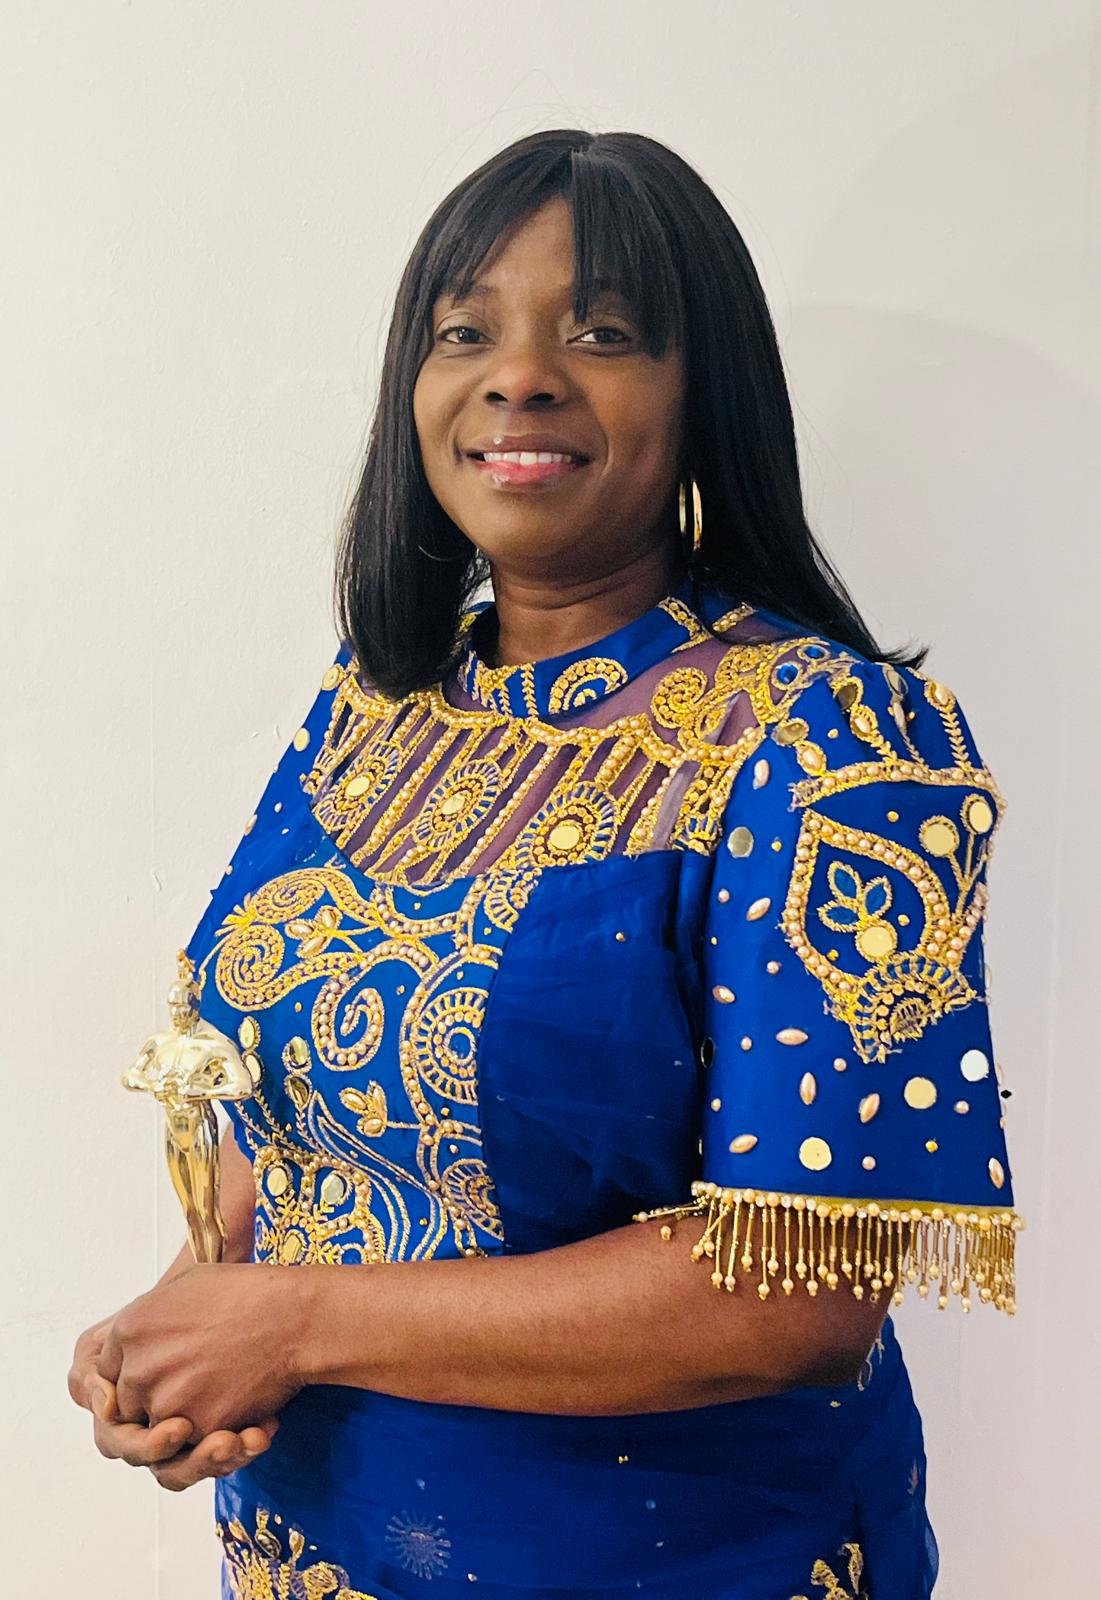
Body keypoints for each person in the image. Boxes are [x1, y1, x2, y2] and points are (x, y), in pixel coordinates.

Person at [69, 129, 1022, 1599]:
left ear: (704, 394)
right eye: (466, 332)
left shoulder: (830, 743)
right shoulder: (374, 710)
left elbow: (803, 1289)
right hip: (308, 1550)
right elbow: (281, 1087)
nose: (519, 376)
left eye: (602, 333)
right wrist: (191, 1314)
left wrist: (293, 1321)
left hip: (678, 1564)